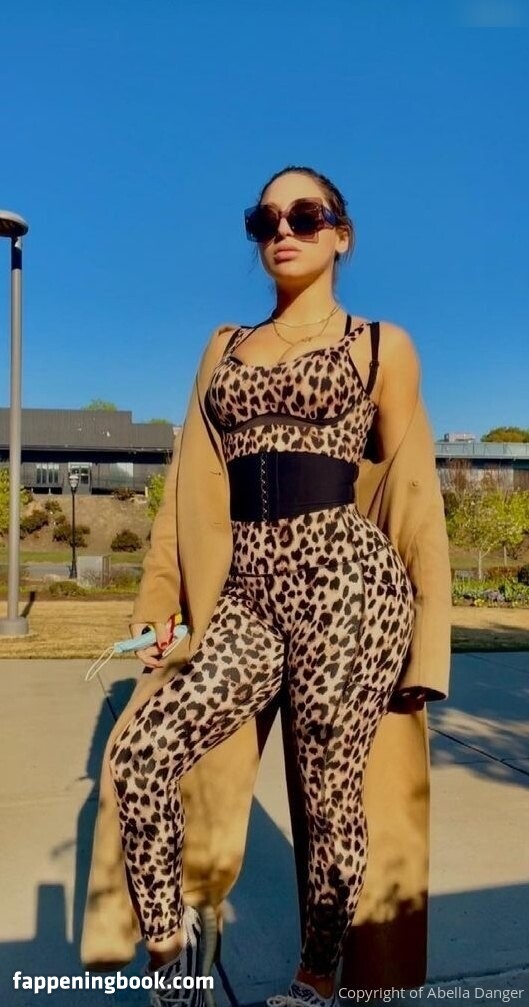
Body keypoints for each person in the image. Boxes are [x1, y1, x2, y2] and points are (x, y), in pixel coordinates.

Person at [106, 165, 442, 1007]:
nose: (282, 230)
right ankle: (168, 958)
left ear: (340, 234)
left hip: (346, 582)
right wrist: (161, 602)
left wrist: (427, 644)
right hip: (244, 587)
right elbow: (185, 491)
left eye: (305, 214)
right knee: (141, 754)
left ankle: (316, 974)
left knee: (331, 795)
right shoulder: (223, 347)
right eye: (265, 219)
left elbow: (409, 488)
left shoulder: (380, 344)